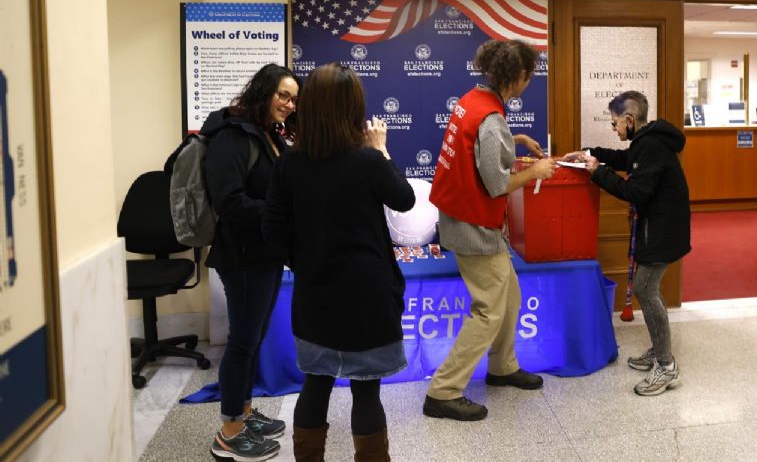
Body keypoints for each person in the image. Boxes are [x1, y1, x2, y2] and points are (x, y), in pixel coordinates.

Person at [262, 63, 415, 461]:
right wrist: (381, 149)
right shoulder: (366, 161)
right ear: (352, 110)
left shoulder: (289, 164)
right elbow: (405, 198)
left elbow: (273, 232)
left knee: (316, 383)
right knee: (367, 392)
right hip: (369, 295)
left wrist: (305, 261)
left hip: (315, 293)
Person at [424, 39, 556, 421]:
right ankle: (443, 391)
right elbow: (497, 184)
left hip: (464, 218)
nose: (529, 81)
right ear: (517, 78)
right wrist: (535, 172)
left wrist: (511, 142)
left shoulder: (472, 100)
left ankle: (502, 366)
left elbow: (475, 150)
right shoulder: (492, 119)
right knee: (489, 310)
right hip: (474, 226)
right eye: (529, 76)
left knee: (509, 296)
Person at [564, 90, 691, 396]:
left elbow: (635, 192)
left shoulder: (651, 146)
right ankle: (659, 350)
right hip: (659, 227)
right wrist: (589, 151)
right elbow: (626, 159)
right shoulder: (645, 142)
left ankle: (666, 364)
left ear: (630, 119)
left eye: (615, 123)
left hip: (661, 230)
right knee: (650, 291)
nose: (614, 128)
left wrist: (597, 172)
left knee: (647, 291)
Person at [205, 63, 299, 461]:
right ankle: (228, 432)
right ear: (263, 92)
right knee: (242, 342)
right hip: (242, 258)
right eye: (283, 95)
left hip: (266, 255)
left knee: (253, 337)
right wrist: (278, 215)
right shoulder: (230, 135)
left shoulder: (267, 134)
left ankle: (243, 412)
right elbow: (229, 202)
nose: (289, 104)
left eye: (293, 99)